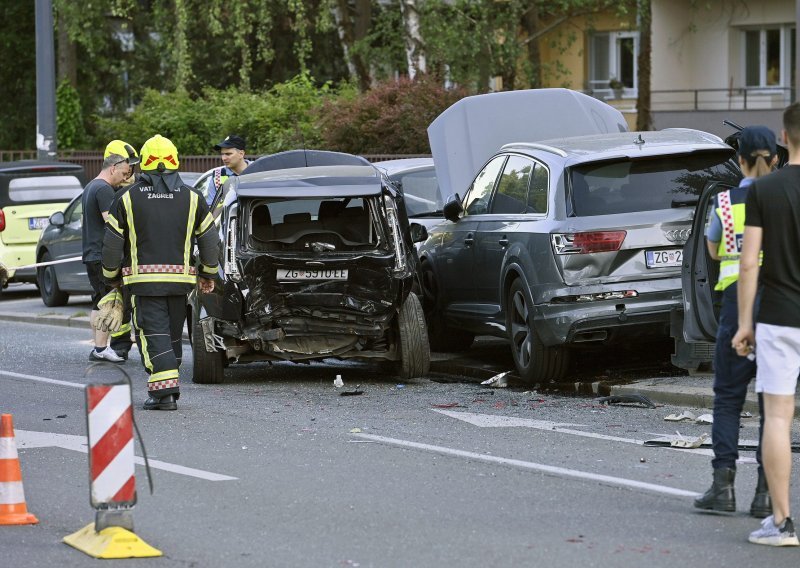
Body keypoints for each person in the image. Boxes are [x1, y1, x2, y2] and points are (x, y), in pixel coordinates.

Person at [102, 134, 220, 411]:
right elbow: (209, 240)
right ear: (175, 161)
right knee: (171, 334)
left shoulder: (127, 198)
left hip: (143, 284)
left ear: (144, 163)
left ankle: (164, 394)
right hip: (181, 284)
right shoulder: (193, 198)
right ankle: (167, 385)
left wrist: (110, 278)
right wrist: (208, 274)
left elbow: (111, 246)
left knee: (152, 334)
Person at [693, 126, 777, 517]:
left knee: (728, 398)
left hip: (735, 307)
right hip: (778, 307)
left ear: (739, 160)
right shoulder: (784, 200)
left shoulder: (726, 202)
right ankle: (764, 494)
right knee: (771, 404)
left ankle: (722, 488)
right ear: (774, 159)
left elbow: (711, 249)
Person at [733, 104, 800, 547]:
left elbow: (748, 263)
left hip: (780, 316)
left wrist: (744, 324)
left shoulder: (765, 190)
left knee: (777, 416)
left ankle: (781, 522)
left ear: (785, 136)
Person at [82, 140, 139, 362]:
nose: (125, 177)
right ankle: (101, 349)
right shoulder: (104, 190)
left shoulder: (91, 186)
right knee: (111, 302)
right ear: (113, 167)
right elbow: (111, 223)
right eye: (124, 172)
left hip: (91, 254)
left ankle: (98, 346)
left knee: (98, 301)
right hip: (101, 255)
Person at [205, 134, 250, 213]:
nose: (224, 158)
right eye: (222, 154)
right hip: (227, 224)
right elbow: (211, 212)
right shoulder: (217, 177)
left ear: (241, 154)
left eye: (228, 154)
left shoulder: (257, 170)